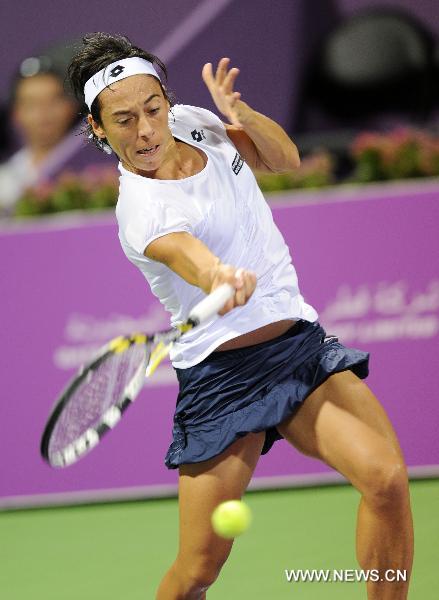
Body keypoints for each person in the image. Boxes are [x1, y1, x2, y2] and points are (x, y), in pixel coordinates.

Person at [67, 33, 413, 599]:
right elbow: (191, 257)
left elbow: (285, 160)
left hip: (298, 348)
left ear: (167, 102)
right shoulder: (141, 211)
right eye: (124, 121)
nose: (147, 131)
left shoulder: (196, 123)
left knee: (387, 481)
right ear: (99, 129)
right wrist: (218, 277)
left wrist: (243, 116)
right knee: (196, 572)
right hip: (225, 379)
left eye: (153, 110)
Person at [0, 57, 79, 212]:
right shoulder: (4, 181)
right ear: (16, 114)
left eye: (53, 101)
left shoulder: (97, 174)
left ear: (70, 107)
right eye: (32, 104)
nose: (44, 114)